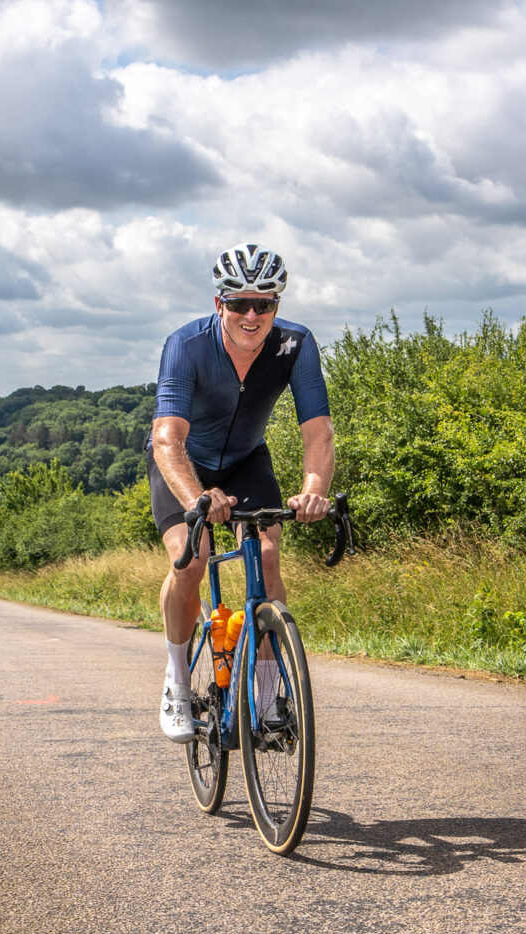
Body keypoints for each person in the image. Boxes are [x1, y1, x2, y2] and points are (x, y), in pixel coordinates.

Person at [149, 243, 335, 743]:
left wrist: (314, 490)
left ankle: (270, 695)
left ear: (277, 305)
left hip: (247, 460)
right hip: (185, 461)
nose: (252, 315)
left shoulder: (295, 346)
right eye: (239, 304)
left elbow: (318, 432)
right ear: (219, 305)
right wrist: (196, 497)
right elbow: (168, 438)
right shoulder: (186, 346)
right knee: (192, 559)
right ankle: (176, 681)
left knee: (268, 553)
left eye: (265, 303)